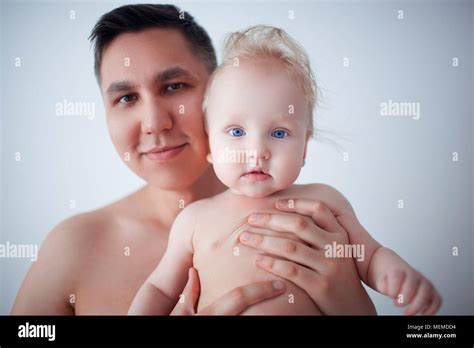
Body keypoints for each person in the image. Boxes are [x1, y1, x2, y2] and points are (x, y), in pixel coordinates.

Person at [11, 4, 376, 315]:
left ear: (216, 95)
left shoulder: (310, 222)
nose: (155, 123)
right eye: (126, 98)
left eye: (174, 87)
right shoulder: (72, 248)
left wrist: (352, 304)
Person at [128, 25, 442, 315]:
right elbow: (159, 287)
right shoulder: (194, 220)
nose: (257, 152)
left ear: (304, 148)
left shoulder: (325, 200)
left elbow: (370, 255)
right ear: (210, 144)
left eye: (279, 133)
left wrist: (398, 275)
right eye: (236, 132)